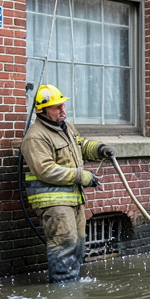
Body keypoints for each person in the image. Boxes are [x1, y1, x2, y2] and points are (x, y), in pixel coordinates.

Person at [20, 84, 115, 283]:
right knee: (64, 244)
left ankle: (73, 287)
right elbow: (45, 169)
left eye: (63, 106)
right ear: (42, 110)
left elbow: (79, 145)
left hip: (74, 199)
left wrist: (99, 149)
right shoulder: (35, 137)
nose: (63, 111)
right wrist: (81, 176)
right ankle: (63, 293)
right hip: (54, 203)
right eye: (57, 107)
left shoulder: (66, 128)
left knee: (78, 244)